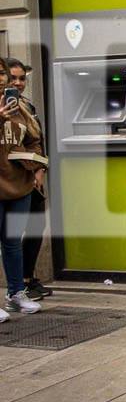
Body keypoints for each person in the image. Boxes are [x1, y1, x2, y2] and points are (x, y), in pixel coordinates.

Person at [0, 64, 46, 317]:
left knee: (12, 243)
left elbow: (34, 140)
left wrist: (37, 168)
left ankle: (16, 293)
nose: (4, 79)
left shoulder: (19, 107)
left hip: (18, 184)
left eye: (2, 73)